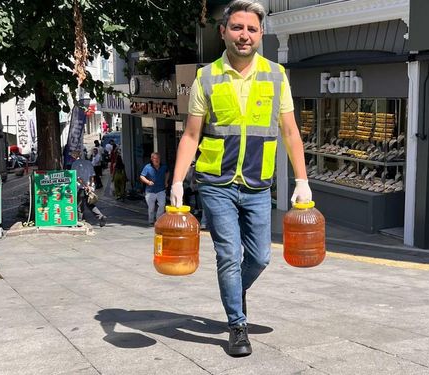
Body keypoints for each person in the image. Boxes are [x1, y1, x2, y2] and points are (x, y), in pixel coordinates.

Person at [169, 0, 311, 357]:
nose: (244, 35)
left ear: (261, 33)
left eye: (251, 29)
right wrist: (175, 182)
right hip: (215, 182)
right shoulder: (207, 77)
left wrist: (302, 180)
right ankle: (237, 326)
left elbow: (292, 132)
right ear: (223, 32)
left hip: (258, 185)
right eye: (237, 28)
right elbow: (191, 135)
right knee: (229, 256)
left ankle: (233, 289)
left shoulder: (277, 75)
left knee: (260, 257)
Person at [71, 151, 107, 227]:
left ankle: (80, 221)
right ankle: (100, 217)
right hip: (89, 187)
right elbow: (92, 176)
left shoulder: (75, 164)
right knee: (89, 204)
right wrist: (90, 186)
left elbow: (77, 177)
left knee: (79, 205)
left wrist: (86, 186)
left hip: (81, 187)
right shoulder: (89, 163)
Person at [140, 152, 170, 226]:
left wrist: (166, 181)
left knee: (162, 205)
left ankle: (158, 220)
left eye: (158, 158)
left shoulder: (163, 167)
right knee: (151, 207)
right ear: (151, 159)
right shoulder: (147, 167)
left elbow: (167, 172)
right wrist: (148, 182)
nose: (157, 160)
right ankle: (151, 221)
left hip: (161, 189)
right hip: (150, 191)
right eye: (155, 158)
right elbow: (142, 176)